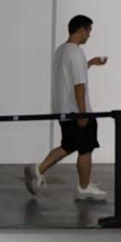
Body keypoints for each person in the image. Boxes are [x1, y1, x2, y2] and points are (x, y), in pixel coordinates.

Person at [24, 14, 108, 200]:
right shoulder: (76, 52)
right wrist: (83, 113)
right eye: (88, 31)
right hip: (76, 110)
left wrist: (91, 63)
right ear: (81, 29)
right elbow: (79, 85)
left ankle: (39, 169)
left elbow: (70, 74)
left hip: (62, 109)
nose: (89, 35)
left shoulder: (61, 51)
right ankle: (84, 187)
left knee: (69, 144)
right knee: (86, 148)